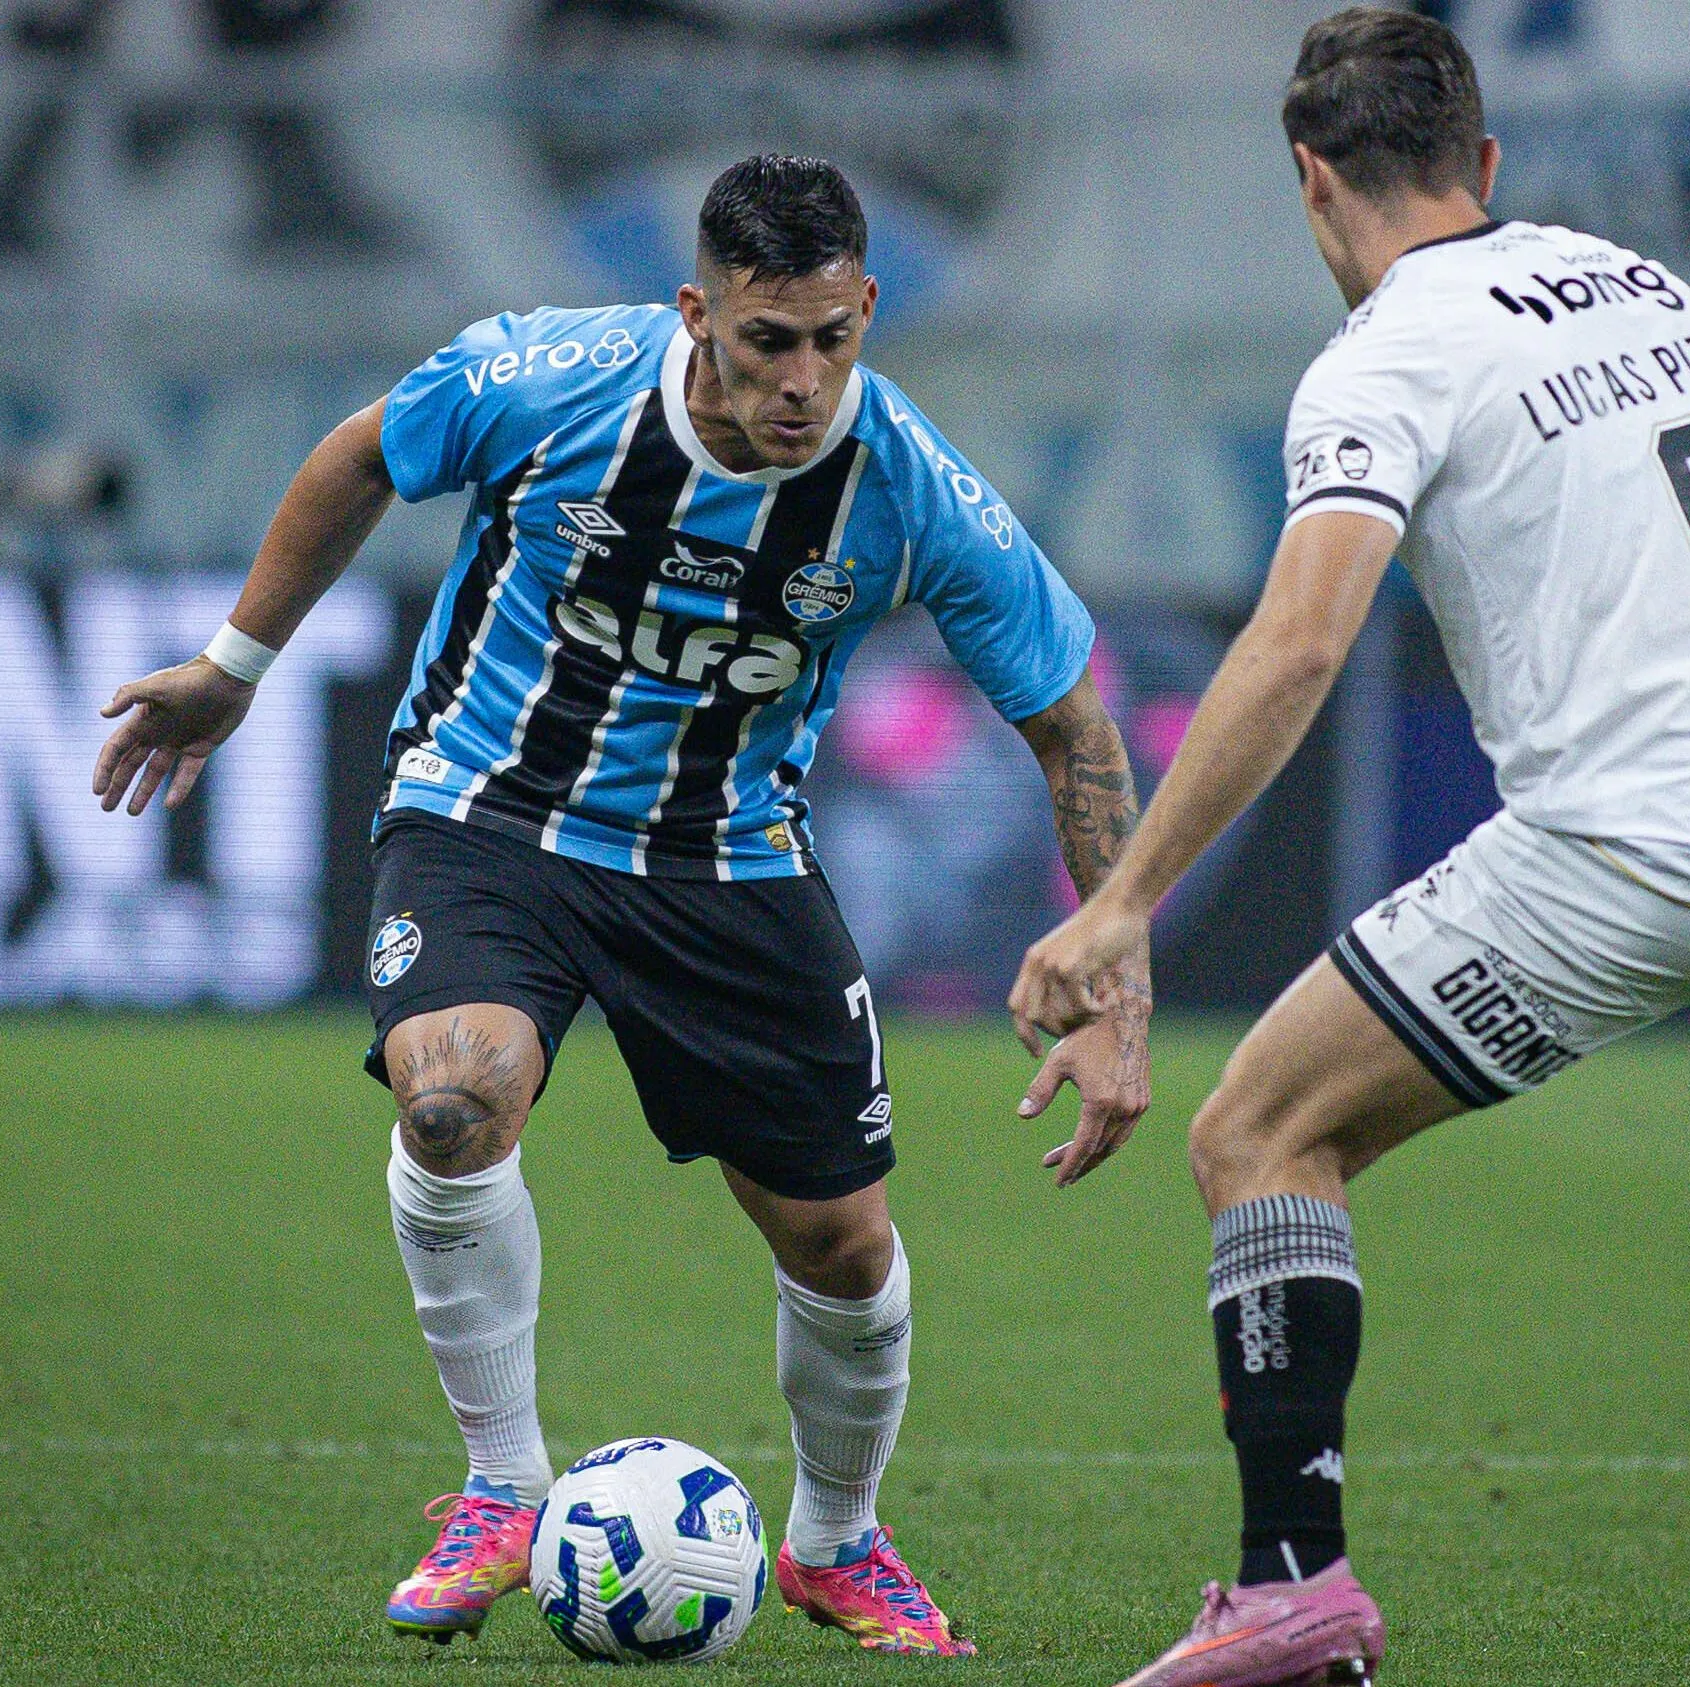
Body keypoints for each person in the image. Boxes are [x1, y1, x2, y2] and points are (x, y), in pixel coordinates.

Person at [1010, 14, 1690, 1687]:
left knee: (1260, 1131)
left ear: (1313, 179)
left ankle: (1289, 1585)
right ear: (1489, 166)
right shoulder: (1655, 291)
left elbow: (1300, 645)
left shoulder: (1390, 350)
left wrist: (1123, 901)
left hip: (1636, 850)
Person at [90, 155, 1151, 1657]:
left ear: (865, 312)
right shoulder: (551, 378)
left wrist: (1119, 989)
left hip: (728, 860)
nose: (803, 382)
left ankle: (838, 1543)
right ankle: (501, 1489)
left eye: (835, 339)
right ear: (695, 313)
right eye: (766, 341)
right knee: (452, 1100)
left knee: (843, 1247)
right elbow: (359, 458)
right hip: (488, 807)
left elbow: (1075, 728)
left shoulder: (909, 489)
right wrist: (231, 668)